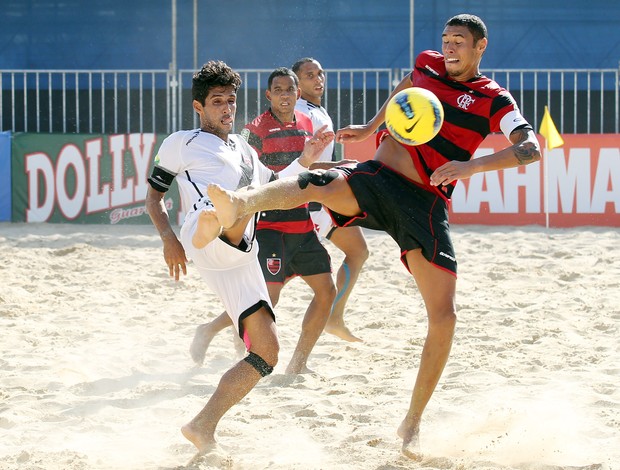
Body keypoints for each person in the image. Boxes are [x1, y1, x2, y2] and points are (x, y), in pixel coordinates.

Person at [206, 15, 542, 460]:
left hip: (423, 202)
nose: (449, 48)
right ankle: (242, 203)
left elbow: (530, 147)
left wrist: (470, 166)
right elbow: (406, 86)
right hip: (378, 176)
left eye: (459, 42)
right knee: (314, 182)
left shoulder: (493, 98)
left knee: (444, 317)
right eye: (445, 41)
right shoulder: (427, 65)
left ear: (481, 46)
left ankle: (411, 423)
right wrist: (369, 127)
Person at [144, 60, 333, 459]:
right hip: (203, 235)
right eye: (217, 102)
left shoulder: (246, 150)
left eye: (231, 100)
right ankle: (217, 219)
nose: (227, 108)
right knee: (222, 213)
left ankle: (202, 425)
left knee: (266, 353)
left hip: (242, 255)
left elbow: (280, 187)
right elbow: (154, 197)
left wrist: (309, 156)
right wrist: (168, 239)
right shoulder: (182, 141)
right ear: (199, 106)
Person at [190, 67, 339, 375]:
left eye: (290, 90)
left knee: (327, 291)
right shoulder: (253, 130)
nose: (285, 95)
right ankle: (228, 344)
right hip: (269, 224)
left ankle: (298, 364)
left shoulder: (309, 123)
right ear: (268, 95)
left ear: (298, 95)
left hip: (301, 221)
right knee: (266, 298)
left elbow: (307, 165)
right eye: (278, 90)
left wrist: (338, 167)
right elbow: (243, 174)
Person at [292, 57, 369, 342]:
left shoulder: (316, 109)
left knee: (359, 251)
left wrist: (335, 164)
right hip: (307, 203)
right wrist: (338, 166)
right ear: (296, 83)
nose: (318, 79)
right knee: (278, 281)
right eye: (310, 75)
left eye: (321, 73)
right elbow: (297, 164)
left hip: (324, 200)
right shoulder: (301, 112)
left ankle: (335, 318)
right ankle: (217, 329)